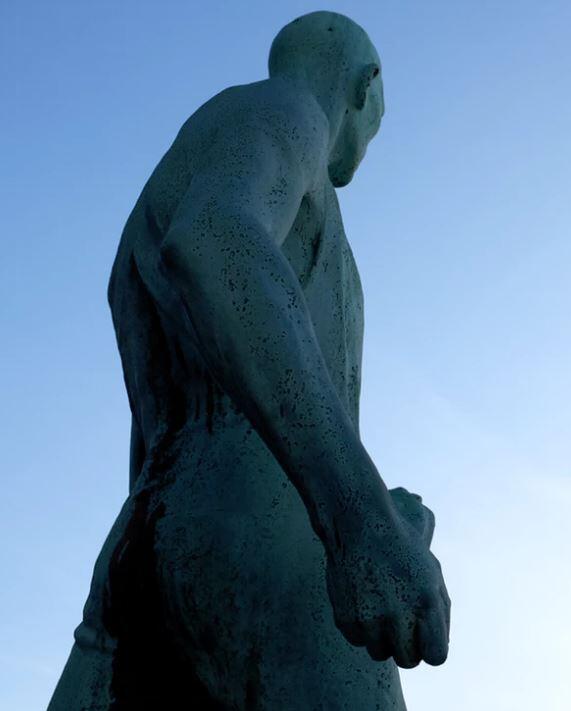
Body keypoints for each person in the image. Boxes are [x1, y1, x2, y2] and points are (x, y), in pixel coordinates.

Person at [48, 11, 449, 710]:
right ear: (365, 86)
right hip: (276, 546)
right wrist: (362, 519)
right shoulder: (288, 113)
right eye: (376, 121)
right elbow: (213, 238)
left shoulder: (193, 158)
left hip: (151, 538)